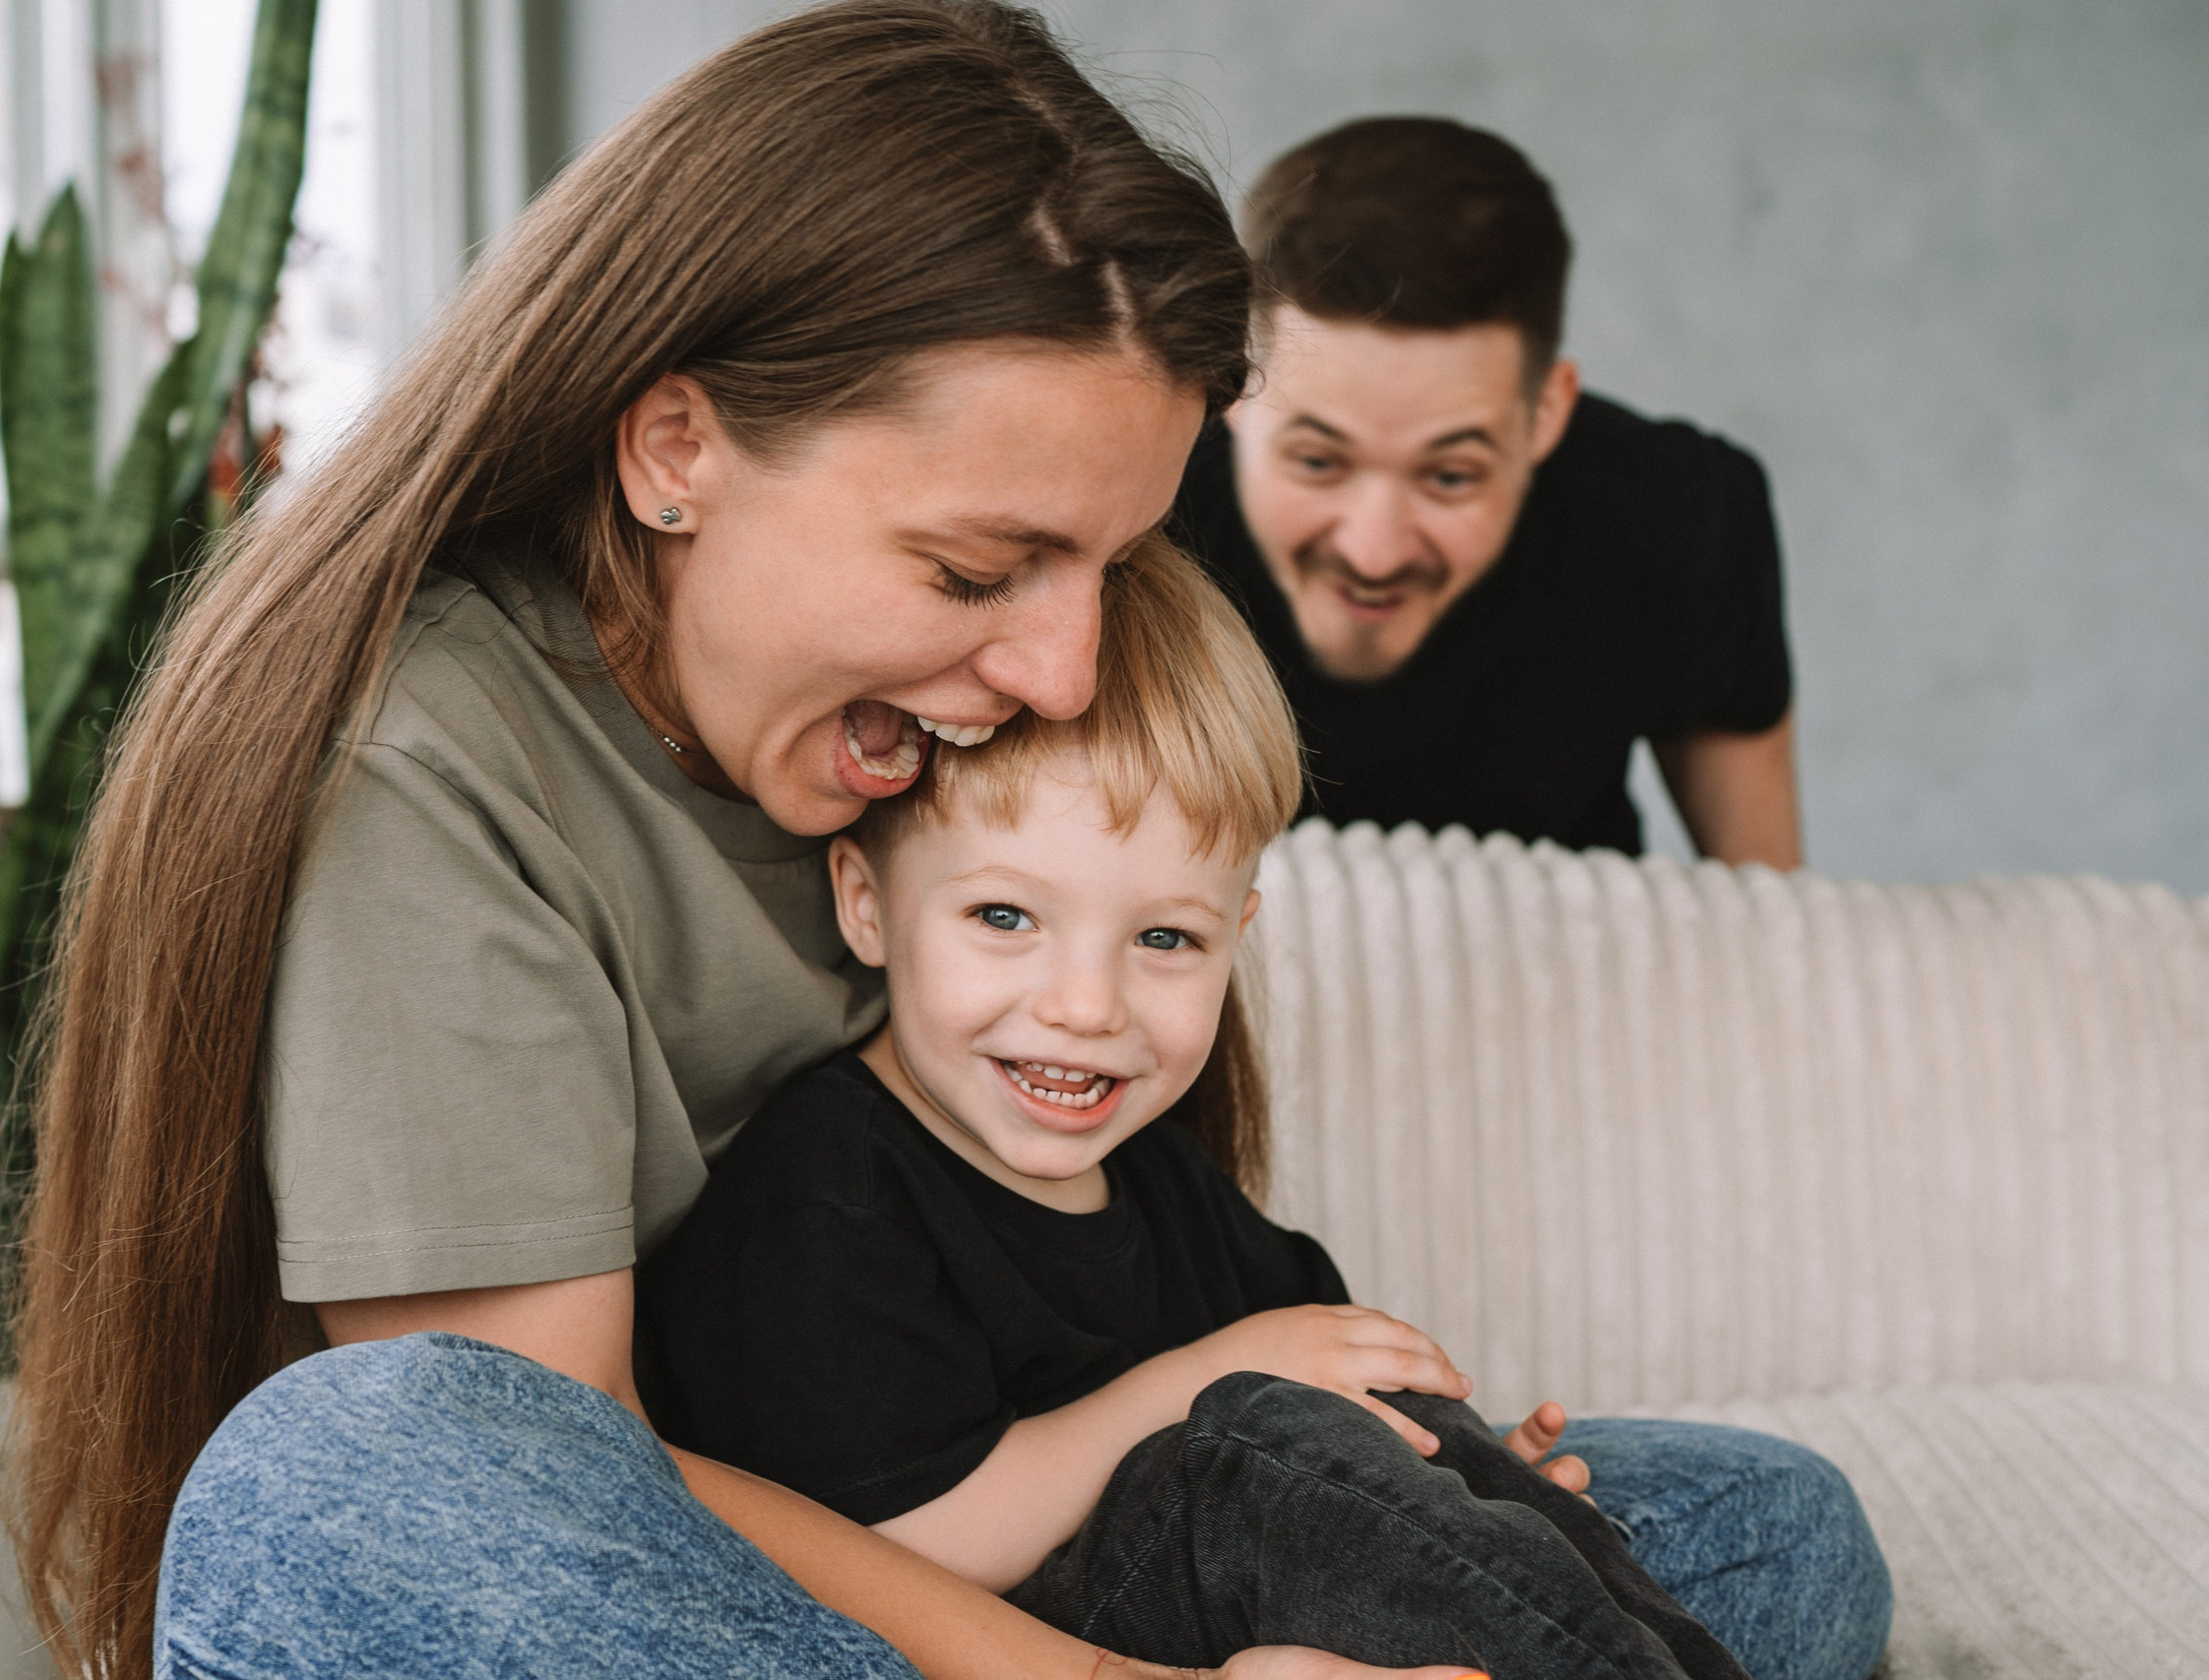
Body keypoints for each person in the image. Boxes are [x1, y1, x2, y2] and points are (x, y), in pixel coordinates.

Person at [2, 8, 1476, 1680]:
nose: (1066, 671)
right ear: (677, 448)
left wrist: (1452, 1497)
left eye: (1116, 564)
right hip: (670, 1610)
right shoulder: (431, 769)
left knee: (1751, 1515)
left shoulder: (941, 714)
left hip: (1051, 1559)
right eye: (980, 572)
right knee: (367, 1461)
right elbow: (533, 1491)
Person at [641, 552, 1886, 1680]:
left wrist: (1481, 1494)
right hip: (971, 1646)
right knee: (1263, 1433)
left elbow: (1340, 1422)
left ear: (1235, 939)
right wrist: (1208, 1384)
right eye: (1005, 918)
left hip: (1242, 1610)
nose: (1084, 1006)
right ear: (865, 903)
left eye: (1165, 938)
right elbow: (903, 1549)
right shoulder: (827, 1187)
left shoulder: (1164, 1184)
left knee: (1781, 1516)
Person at [1171, 118, 1801, 866]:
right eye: (1318, 461)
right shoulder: (1136, 508)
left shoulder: (1680, 517)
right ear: (1234, 384)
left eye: (1449, 476)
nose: (1374, 552)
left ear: (1546, 413)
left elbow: (1769, 915)